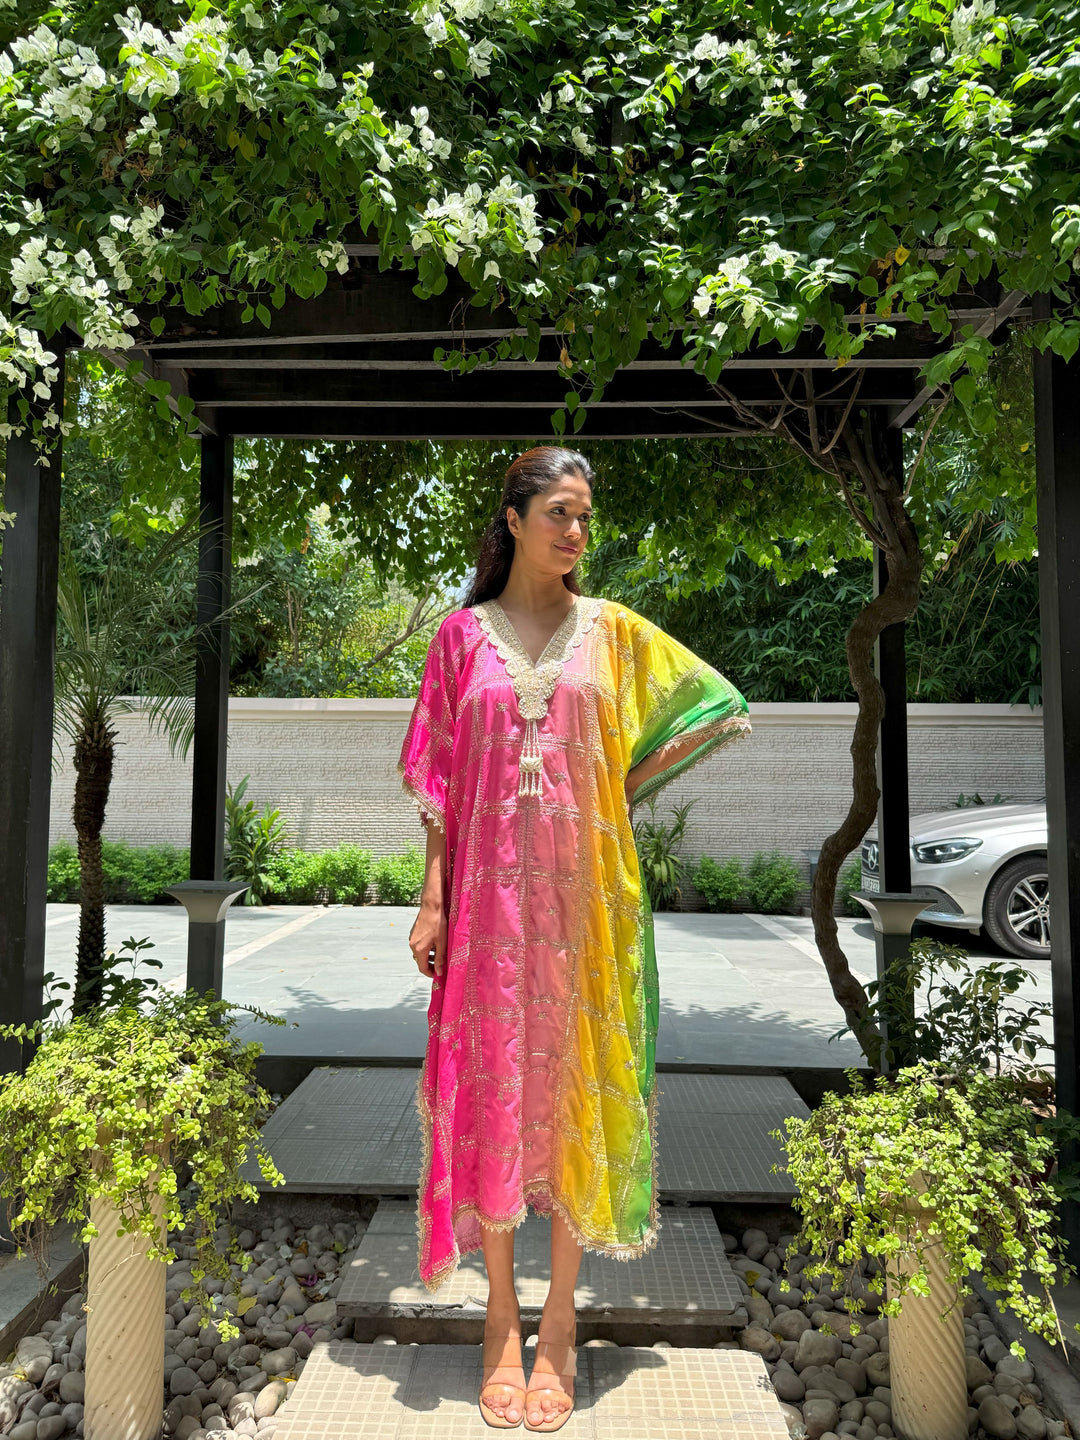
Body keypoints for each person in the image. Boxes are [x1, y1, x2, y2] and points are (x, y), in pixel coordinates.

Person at [399, 446, 750, 1431]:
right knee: (495, 1092)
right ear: (513, 520)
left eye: (585, 515)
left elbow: (716, 704)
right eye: (559, 511)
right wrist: (432, 899)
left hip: (589, 907)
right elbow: (438, 781)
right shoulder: (460, 639)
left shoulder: (616, 633)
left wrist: (608, 789)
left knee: (570, 1093)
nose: (576, 531)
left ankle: (560, 1322)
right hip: (485, 913)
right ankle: (500, 1319)